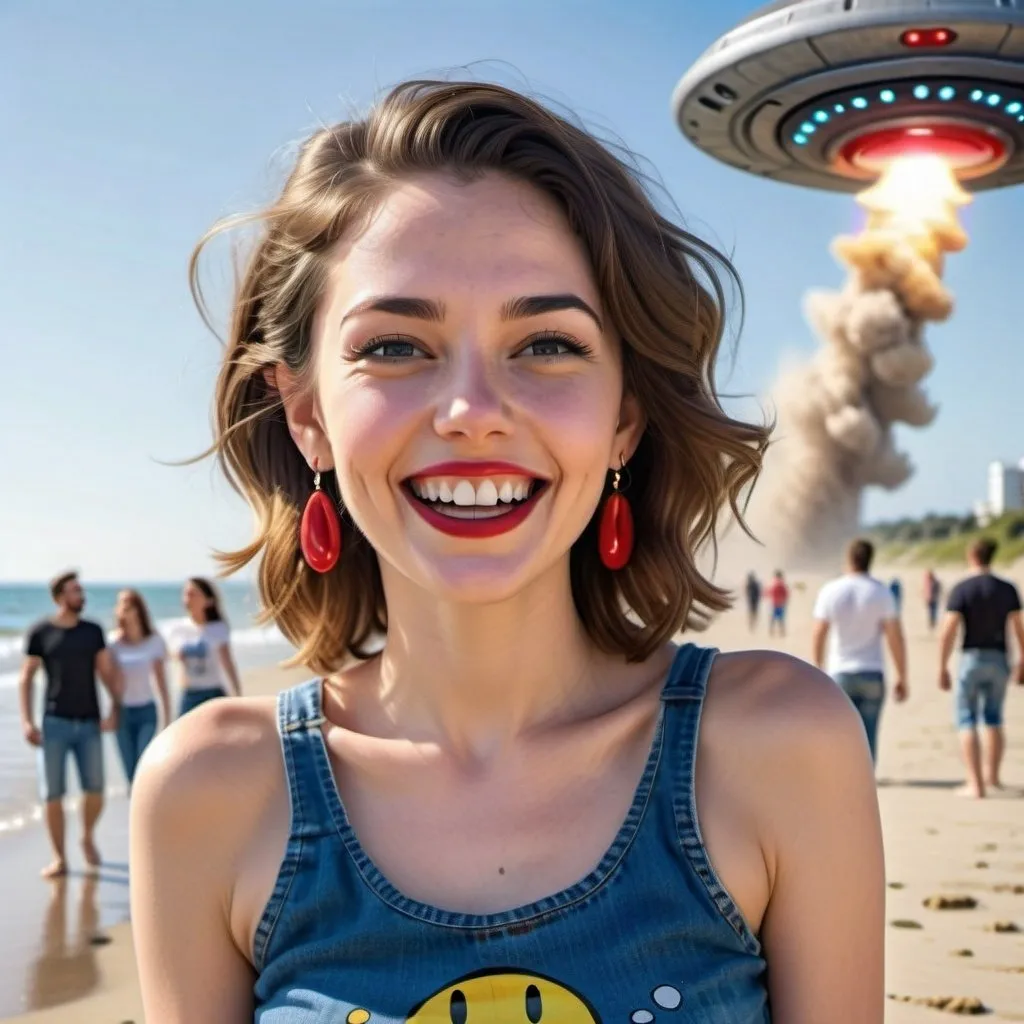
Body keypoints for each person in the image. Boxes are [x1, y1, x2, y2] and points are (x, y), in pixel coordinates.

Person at [130, 81, 884, 1022]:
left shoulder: (776, 745)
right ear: (306, 411)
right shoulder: (208, 794)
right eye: (398, 347)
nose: (473, 412)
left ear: (626, 418)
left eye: (548, 345)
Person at [17, 572, 122, 878]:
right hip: (54, 724)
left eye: (81, 590)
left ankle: (87, 835)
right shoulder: (40, 632)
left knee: (95, 790)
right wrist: (26, 721)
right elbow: (27, 677)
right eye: (76, 590)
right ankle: (60, 858)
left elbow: (104, 671)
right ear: (60, 597)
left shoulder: (92, 631)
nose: (82, 595)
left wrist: (114, 707)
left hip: (89, 723)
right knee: (53, 795)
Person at [939, 538, 1024, 798]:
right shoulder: (1007, 588)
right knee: (994, 717)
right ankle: (993, 778)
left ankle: (975, 785)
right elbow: (1018, 626)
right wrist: (1023, 659)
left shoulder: (962, 588)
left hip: (971, 657)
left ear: (972, 554)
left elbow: (949, 629)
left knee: (966, 719)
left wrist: (941, 665)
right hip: (999, 657)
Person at [811, 539, 908, 765]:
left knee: (839, 734)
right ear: (869, 560)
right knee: (869, 735)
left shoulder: (831, 590)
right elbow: (895, 637)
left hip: (840, 672)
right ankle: (865, 787)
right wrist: (902, 675)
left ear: (848, 559)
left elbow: (819, 632)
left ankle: (841, 783)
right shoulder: (881, 592)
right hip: (873, 672)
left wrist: (817, 668)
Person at [109, 589, 170, 786]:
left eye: (128, 603)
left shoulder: (154, 641)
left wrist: (167, 717)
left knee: (144, 769)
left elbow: (161, 682)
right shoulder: (114, 644)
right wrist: (112, 713)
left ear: (138, 608)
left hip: (147, 712)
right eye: (120, 604)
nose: (124, 607)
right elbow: (112, 686)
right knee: (130, 775)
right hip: (123, 715)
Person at [164, 578, 242, 717]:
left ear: (208, 600)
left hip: (213, 693)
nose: (187, 599)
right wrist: (176, 655)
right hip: (188, 694)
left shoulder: (218, 628)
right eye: (185, 594)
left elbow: (227, 662)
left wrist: (237, 694)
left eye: (193, 594)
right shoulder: (177, 629)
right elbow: (169, 656)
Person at [766, 570, 789, 637]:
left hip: (774, 604)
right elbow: (786, 594)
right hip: (780, 604)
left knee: (772, 620)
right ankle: (782, 633)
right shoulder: (782, 584)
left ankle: (771, 632)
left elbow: (769, 592)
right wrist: (784, 601)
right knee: (781, 620)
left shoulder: (773, 583)